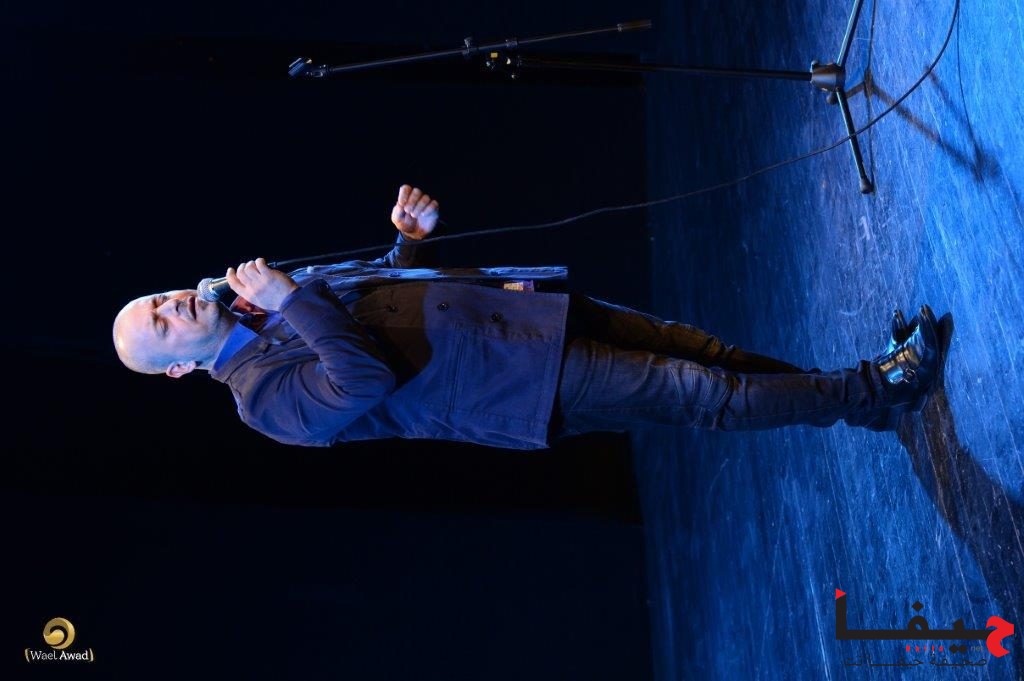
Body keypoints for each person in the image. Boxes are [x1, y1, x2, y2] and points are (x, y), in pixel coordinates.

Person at [112, 184, 949, 449]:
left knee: (707, 352)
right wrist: (294, 298)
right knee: (703, 392)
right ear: (179, 366)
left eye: (155, 299)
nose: (168, 307)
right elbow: (361, 378)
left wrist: (406, 243)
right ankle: (879, 385)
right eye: (160, 326)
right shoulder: (261, 400)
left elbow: (380, 298)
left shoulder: (260, 301)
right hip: (517, 380)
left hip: (521, 313)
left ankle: (861, 403)